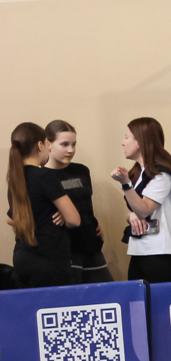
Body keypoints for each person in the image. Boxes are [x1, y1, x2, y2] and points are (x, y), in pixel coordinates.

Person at [110, 117, 171, 284]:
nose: (123, 143)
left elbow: (144, 210)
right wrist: (130, 215)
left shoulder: (162, 175)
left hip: (160, 252)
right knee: (137, 300)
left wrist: (125, 184)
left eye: (126, 137)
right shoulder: (139, 173)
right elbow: (135, 209)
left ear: (139, 142)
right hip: (140, 249)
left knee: (157, 299)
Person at [7, 123, 81, 288]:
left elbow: (10, 218)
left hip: (22, 256)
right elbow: (74, 220)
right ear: (40, 145)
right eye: (48, 144)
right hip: (49, 258)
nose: (49, 149)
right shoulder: (44, 176)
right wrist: (64, 214)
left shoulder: (15, 178)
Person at [43, 120, 111, 283]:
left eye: (74, 144)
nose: (71, 150)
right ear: (48, 144)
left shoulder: (81, 170)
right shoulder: (41, 176)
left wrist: (93, 224)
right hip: (64, 250)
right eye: (64, 144)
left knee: (107, 292)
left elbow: (86, 204)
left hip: (90, 245)